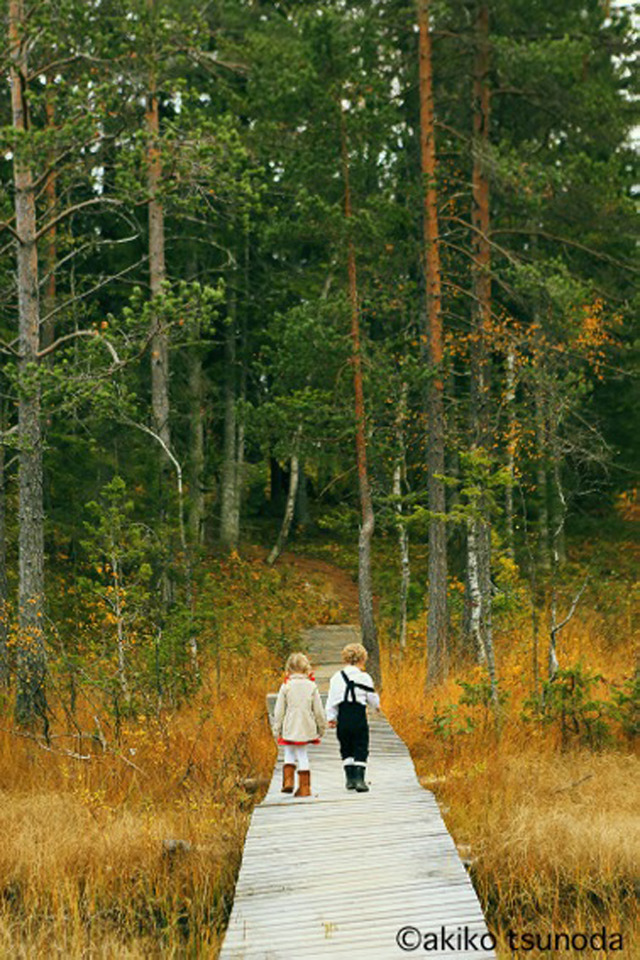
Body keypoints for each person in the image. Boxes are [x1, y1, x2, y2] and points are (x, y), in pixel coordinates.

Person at [326, 642, 380, 793]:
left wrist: (331, 717)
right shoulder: (364, 677)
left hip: (343, 715)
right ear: (363, 659)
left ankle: (349, 779)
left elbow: (332, 700)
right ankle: (360, 779)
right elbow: (372, 696)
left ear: (345, 659)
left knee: (346, 746)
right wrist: (376, 706)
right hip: (358, 715)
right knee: (361, 745)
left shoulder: (336, 678)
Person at [273, 652, 326, 798]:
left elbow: (279, 710)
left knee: (289, 752)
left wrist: (277, 728)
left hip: (290, 725)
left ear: (288, 669)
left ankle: (288, 781)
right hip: (306, 725)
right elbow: (319, 710)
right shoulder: (311, 686)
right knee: (303, 754)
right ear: (305, 668)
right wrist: (321, 727)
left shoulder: (286, 686)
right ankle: (305, 788)